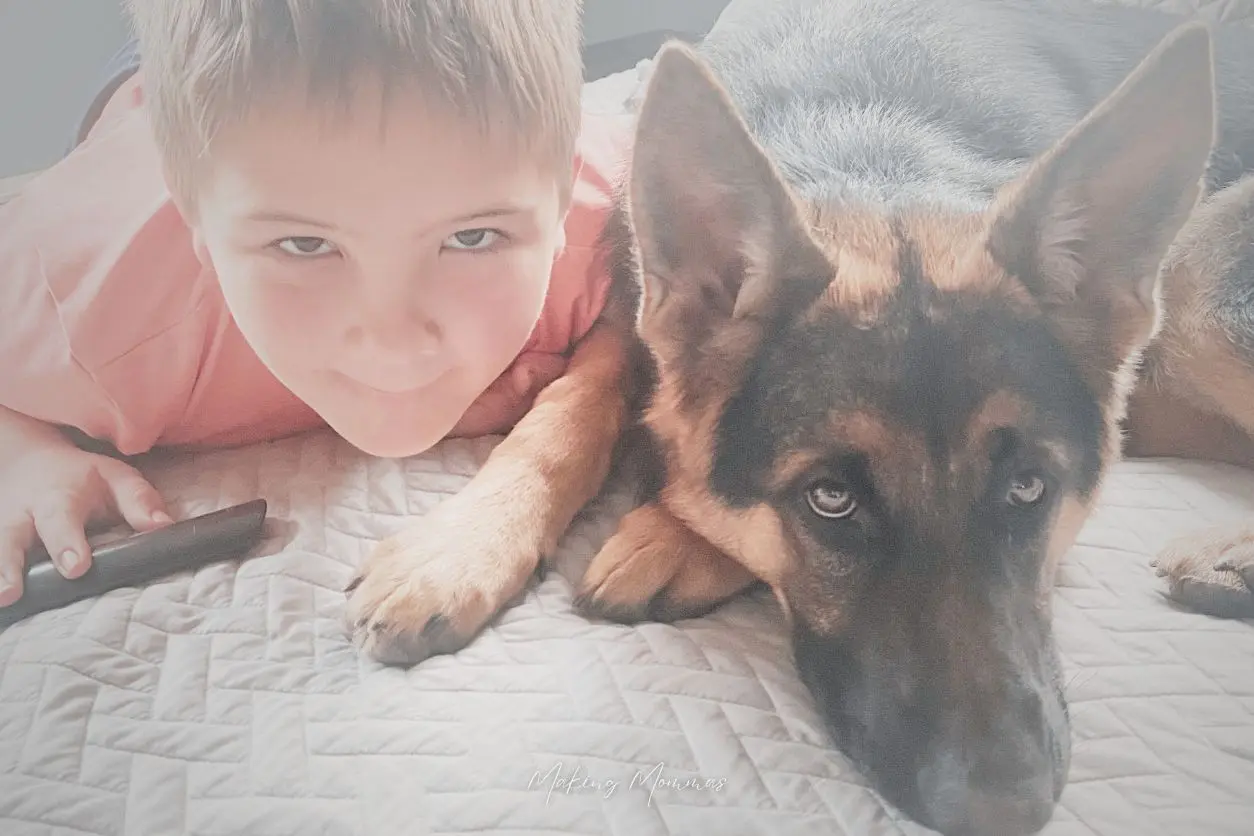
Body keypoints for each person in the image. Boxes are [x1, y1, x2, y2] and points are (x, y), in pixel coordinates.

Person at [0, 0, 633, 608]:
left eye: (471, 237)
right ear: (201, 230)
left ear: (558, 201)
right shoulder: (101, 321)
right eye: (305, 244)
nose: (393, 342)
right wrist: (23, 455)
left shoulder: (602, 219)